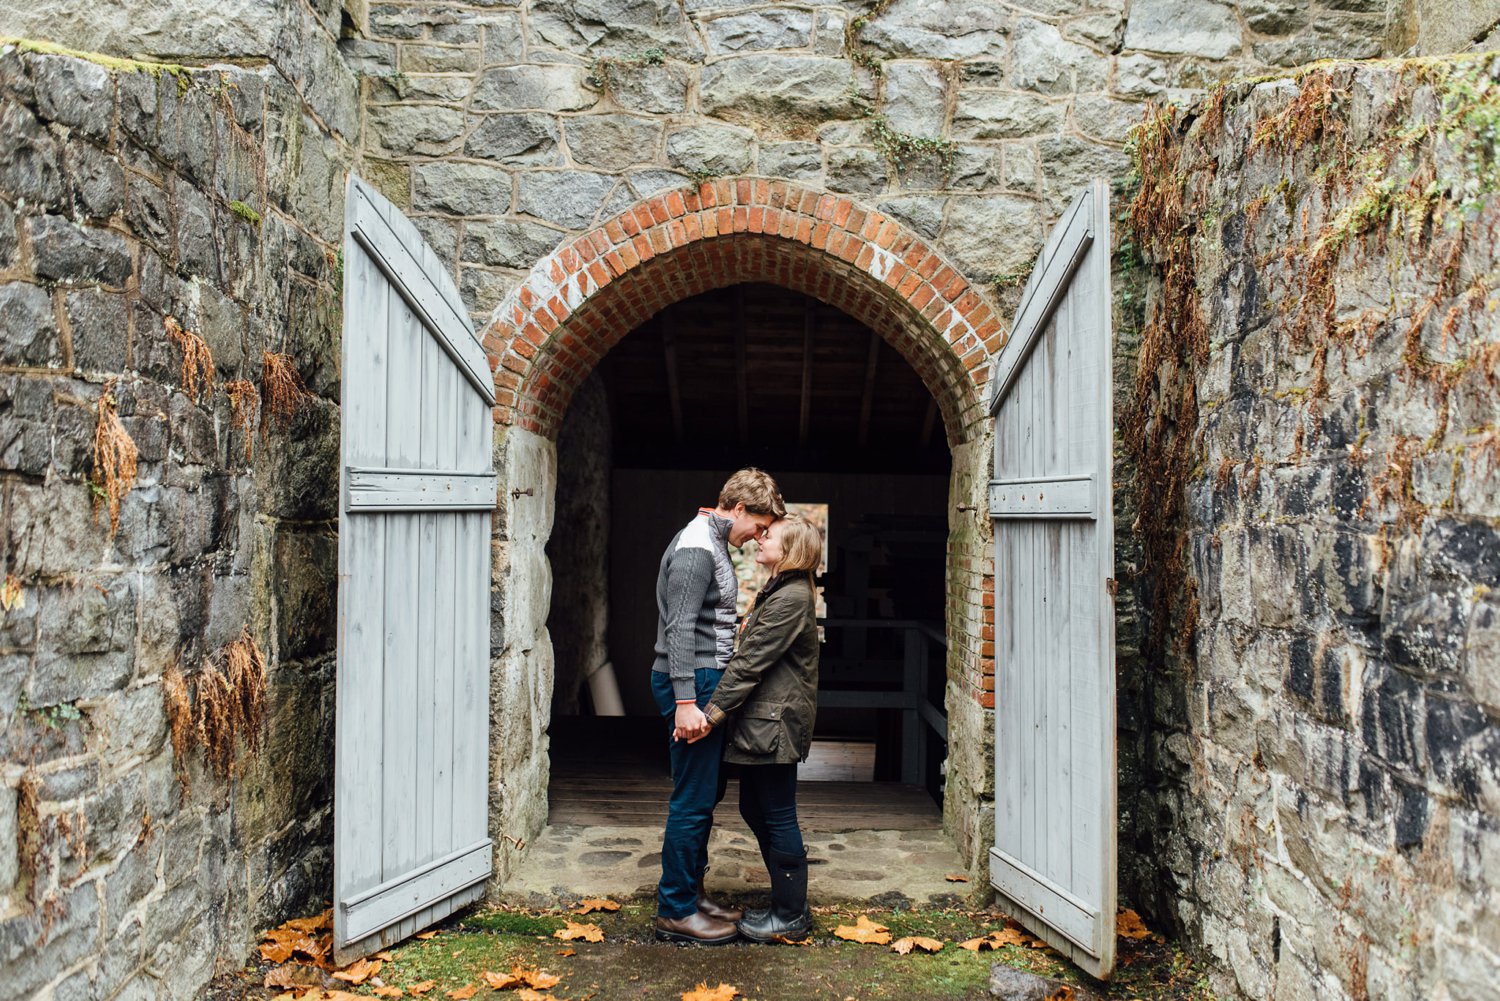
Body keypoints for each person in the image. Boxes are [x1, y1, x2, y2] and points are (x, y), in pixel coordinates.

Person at [651, 468, 785, 945]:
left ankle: (691, 895)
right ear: (738, 508)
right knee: (691, 801)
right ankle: (675, 910)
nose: (759, 536)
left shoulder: (711, 539)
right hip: (694, 684)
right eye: (759, 526)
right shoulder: (696, 547)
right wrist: (687, 701)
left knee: (704, 798)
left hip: (706, 679)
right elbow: (681, 629)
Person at [697, 513, 823, 943]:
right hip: (764, 721)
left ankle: (790, 914)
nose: (761, 537)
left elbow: (751, 663)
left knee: (778, 813)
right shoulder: (779, 590)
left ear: (789, 551)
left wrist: (711, 713)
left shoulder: (790, 599)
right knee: (756, 808)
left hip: (776, 724)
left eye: (770, 535)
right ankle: (787, 904)